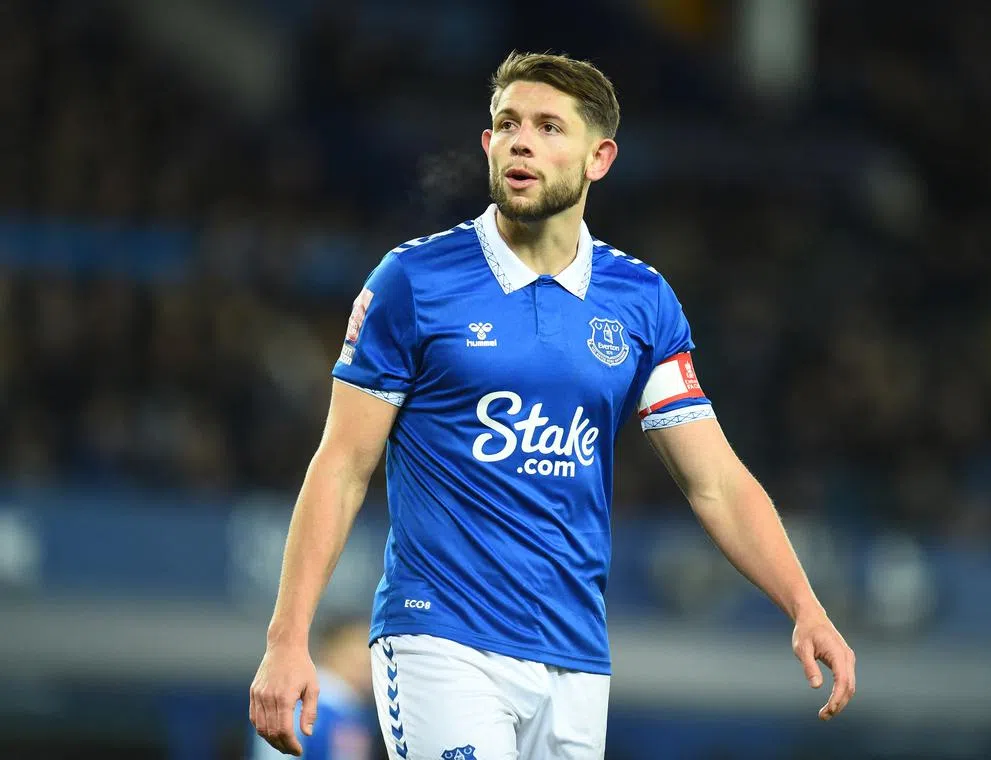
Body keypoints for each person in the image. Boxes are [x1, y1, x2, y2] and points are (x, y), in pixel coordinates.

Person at [250, 50, 856, 760]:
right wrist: (288, 640)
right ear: (487, 145)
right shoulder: (413, 282)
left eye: (548, 127)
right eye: (507, 124)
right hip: (441, 638)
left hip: (575, 656)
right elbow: (344, 464)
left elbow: (714, 480)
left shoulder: (640, 302)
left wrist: (804, 604)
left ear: (599, 158)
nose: (522, 141)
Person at [248, 618, 376, 760]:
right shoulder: (297, 702)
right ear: (332, 653)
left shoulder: (354, 712)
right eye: (358, 659)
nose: (367, 669)